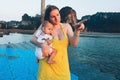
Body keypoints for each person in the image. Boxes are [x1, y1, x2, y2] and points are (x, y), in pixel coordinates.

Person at [30, 5, 85, 80]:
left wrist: (77, 31)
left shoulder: (66, 27)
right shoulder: (46, 27)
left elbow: (74, 43)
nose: (57, 18)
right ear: (48, 18)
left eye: (58, 15)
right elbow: (32, 39)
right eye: (53, 17)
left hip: (63, 70)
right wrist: (43, 45)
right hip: (46, 70)